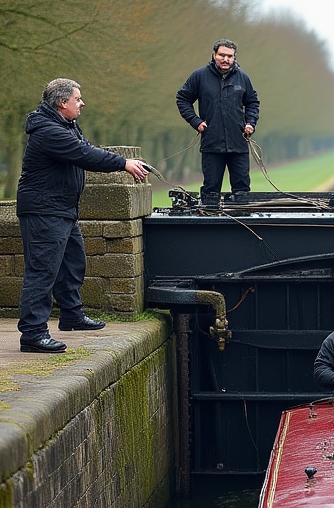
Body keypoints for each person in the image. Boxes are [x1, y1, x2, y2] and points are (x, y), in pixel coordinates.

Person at [17, 78, 148, 353]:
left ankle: (72, 315)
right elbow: (84, 154)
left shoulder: (66, 124)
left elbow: (85, 149)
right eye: (78, 99)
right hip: (44, 211)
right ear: (62, 102)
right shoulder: (48, 131)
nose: (82, 103)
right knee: (42, 272)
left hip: (62, 209)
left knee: (72, 263)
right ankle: (33, 333)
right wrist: (123, 163)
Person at [176, 39, 260, 208]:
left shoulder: (243, 78)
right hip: (211, 144)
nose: (225, 59)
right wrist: (196, 121)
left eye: (229, 56)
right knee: (210, 191)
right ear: (214, 55)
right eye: (222, 55)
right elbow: (182, 98)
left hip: (238, 143)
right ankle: (209, 227)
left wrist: (250, 123)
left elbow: (252, 102)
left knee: (242, 191)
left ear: (234, 57)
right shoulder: (199, 76)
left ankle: (243, 228)